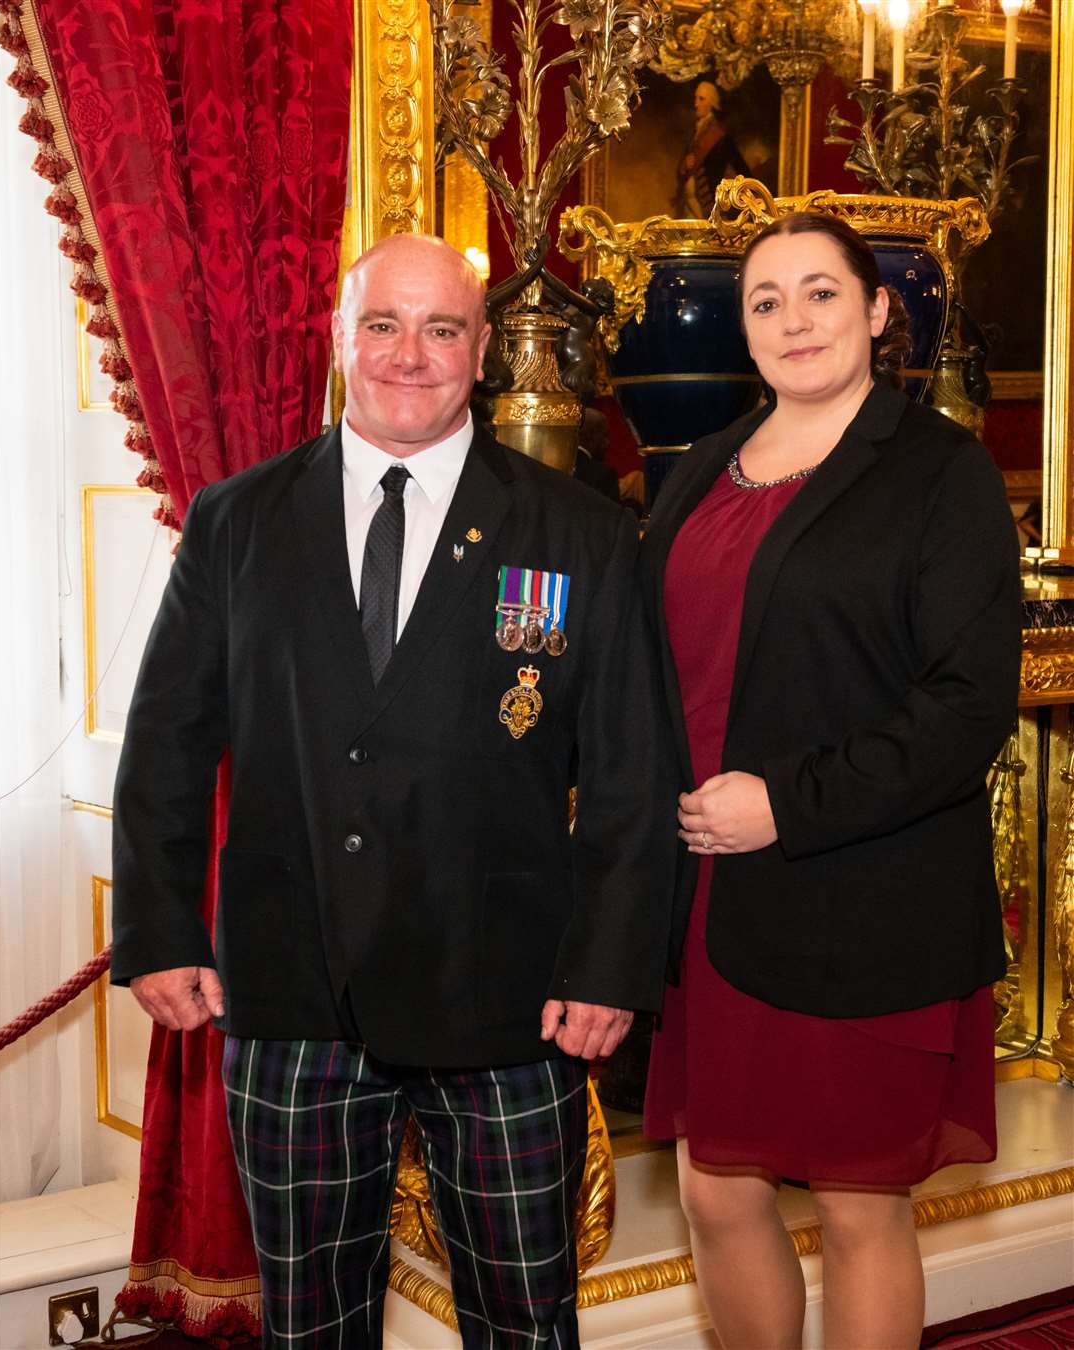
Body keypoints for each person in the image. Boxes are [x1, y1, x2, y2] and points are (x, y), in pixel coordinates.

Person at [111, 233, 672, 1349]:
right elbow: (168, 738)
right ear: (338, 342)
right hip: (294, 990)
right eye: (383, 325)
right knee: (312, 1325)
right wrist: (162, 930)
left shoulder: (584, 533)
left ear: (481, 353)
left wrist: (611, 964)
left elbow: (631, 774)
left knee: (527, 1322)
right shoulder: (236, 519)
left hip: (511, 1000)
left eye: (442, 328)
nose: (409, 355)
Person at [641, 212, 1021, 1349]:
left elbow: (967, 709)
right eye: (766, 301)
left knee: (859, 1204)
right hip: (708, 897)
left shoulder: (939, 470)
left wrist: (784, 805)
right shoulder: (707, 464)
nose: (793, 320)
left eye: (819, 293)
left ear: (874, 311)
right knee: (716, 1191)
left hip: (861, 890)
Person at [675, 80, 750, 218]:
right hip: (689, 206)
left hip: (707, 205)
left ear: (711, 103)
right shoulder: (695, 133)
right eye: (696, 98)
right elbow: (682, 170)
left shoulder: (720, 136)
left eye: (701, 99)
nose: (696, 104)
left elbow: (742, 171)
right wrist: (685, 165)